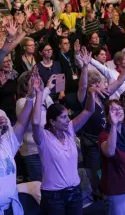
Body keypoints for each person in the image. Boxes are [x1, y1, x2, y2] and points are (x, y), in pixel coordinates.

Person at [76, 46, 125, 198]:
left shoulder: (103, 95)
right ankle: (98, 196)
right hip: (91, 141)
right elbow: (83, 86)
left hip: (106, 137)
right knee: (95, 170)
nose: (103, 85)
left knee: (110, 167)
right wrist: (84, 66)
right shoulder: (84, 99)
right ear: (93, 86)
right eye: (99, 83)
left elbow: (120, 80)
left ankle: (110, 191)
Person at [31, 72, 96, 215]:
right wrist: (39, 93)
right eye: (63, 117)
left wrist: (91, 94)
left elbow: (89, 110)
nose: (68, 120)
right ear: (52, 122)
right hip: (54, 197)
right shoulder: (44, 138)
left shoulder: (69, 130)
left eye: (68, 116)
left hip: (75, 193)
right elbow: (35, 122)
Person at [0, 74, 35, 214]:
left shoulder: (6, 144)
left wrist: (31, 97)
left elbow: (21, 122)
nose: (2, 123)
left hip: (11, 208)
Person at [16, 72, 54, 182]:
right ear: (24, 85)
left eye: (38, 78)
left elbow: (54, 113)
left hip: (48, 147)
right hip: (33, 152)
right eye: (33, 80)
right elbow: (31, 116)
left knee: (51, 183)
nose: (37, 82)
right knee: (38, 186)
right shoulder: (21, 102)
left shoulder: (46, 98)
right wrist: (45, 90)